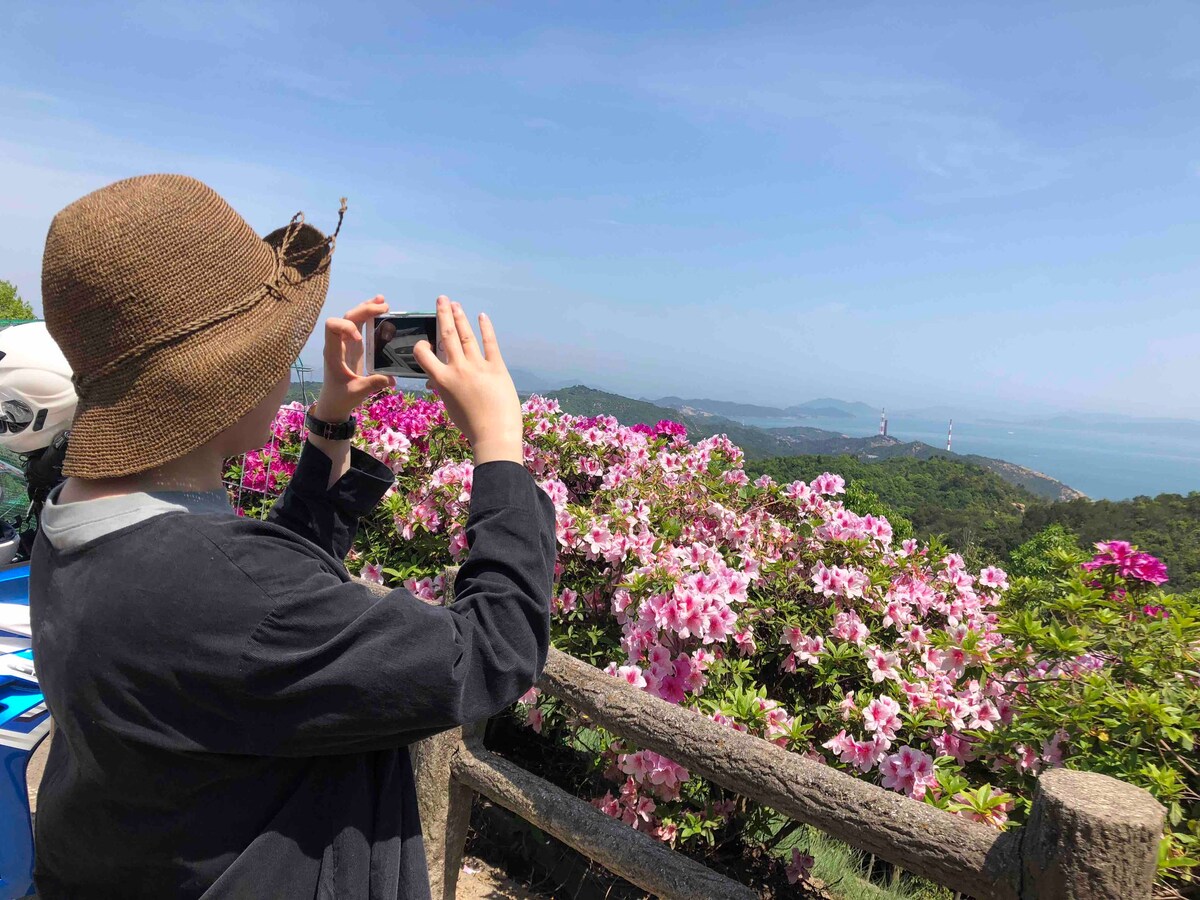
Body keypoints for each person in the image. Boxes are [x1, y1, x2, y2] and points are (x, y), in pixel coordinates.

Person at [29, 174, 556, 899]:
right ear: (227, 384)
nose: (286, 370)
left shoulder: (75, 523)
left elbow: (260, 611)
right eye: (276, 351)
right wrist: (500, 448)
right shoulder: (218, 591)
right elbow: (491, 651)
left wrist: (332, 428)